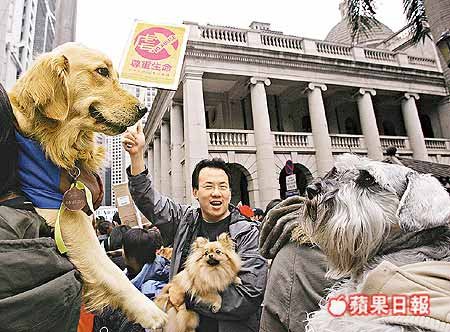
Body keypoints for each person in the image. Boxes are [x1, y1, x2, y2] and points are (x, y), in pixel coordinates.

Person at [122, 122, 268, 332]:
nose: (216, 193)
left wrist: (188, 295)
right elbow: (149, 201)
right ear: (195, 192)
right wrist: (136, 156)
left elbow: (247, 297)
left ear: (229, 192)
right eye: (208, 186)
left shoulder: (247, 234)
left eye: (223, 187)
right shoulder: (184, 220)